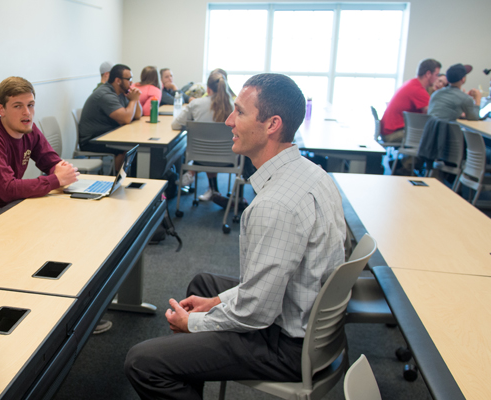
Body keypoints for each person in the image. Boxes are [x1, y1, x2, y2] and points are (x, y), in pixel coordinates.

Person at [124, 73, 346, 399]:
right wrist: (215, 303)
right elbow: (265, 286)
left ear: (272, 124)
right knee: (204, 285)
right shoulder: (313, 174)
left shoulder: (275, 206)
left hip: (287, 347)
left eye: (239, 112)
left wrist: (194, 324)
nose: (229, 120)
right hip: (312, 328)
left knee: (141, 362)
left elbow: (255, 314)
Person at [0, 76, 80, 227]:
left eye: (31, 105)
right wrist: (57, 179)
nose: (27, 112)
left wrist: (60, 169)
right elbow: (8, 189)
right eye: (18, 106)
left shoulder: (29, 129)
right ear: (1, 109)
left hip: (7, 205)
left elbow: (51, 161)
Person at [172, 72, 234, 201]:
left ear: (208, 88)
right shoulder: (233, 107)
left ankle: (192, 174)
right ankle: (228, 194)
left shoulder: (196, 104)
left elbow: (175, 125)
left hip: (200, 158)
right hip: (229, 159)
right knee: (215, 147)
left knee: (208, 148)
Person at [78, 64, 140, 173]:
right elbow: (126, 119)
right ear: (118, 80)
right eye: (128, 79)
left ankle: (127, 178)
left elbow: (137, 115)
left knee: (132, 146)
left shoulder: (120, 93)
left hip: (107, 135)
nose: (131, 82)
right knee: (125, 148)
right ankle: (115, 179)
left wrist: (135, 99)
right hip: (93, 140)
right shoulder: (105, 94)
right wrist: (133, 101)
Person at [379, 58, 441, 143]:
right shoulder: (418, 89)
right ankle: (413, 157)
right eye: (436, 75)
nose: (437, 79)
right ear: (428, 74)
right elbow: (433, 113)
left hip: (388, 131)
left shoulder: (412, 83)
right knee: (434, 136)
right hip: (393, 134)